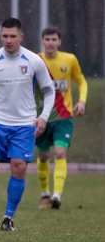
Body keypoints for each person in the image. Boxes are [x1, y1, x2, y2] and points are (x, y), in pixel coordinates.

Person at [0, 18, 54, 232]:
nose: (8, 40)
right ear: (0, 36)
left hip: (24, 125)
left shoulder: (34, 61)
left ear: (21, 37)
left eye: (12, 36)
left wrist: (43, 116)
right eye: (5, 36)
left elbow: (49, 90)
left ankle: (8, 218)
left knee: (19, 167)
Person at [35, 27, 87, 209]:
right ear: (42, 41)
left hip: (64, 116)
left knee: (59, 153)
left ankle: (56, 196)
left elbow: (81, 80)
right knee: (43, 155)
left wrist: (82, 101)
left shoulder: (69, 59)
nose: (50, 43)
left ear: (59, 42)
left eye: (53, 39)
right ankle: (44, 194)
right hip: (42, 117)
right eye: (47, 39)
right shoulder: (36, 61)